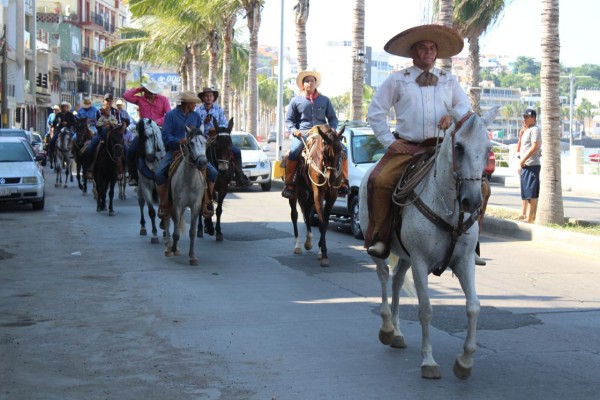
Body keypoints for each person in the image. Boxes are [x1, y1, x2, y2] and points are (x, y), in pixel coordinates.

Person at [364, 24, 471, 259]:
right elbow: (376, 112)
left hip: (441, 147)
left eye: (432, 48)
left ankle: (472, 245)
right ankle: (381, 237)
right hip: (407, 148)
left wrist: (451, 117)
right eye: (423, 47)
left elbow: (464, 106)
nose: (428, 52)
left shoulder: (449, 80)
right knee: (378, 180)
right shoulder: (397, 80)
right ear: (413, 52)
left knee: (478, 184)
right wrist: (389, 142)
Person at [282, 70, 349, 198]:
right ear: (303, 84)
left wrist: (333, 129)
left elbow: (333, 118)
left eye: (312, 80)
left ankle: (344, 182)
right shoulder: (295, 101)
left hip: (323, 133)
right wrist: (293, 130)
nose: (310, 83)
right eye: (307, 81)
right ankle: (289, 184)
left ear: (315, 83)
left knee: (343, 150)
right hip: (304, 134)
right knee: (294, 151)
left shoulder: (325, 100)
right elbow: (289, 120)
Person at [155, 91, 218, 222]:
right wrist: (178, 141)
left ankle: (207, 202)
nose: (195, 105)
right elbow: (165, 136)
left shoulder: (195, 116)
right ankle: (164, 204)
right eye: (193, 103)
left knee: (212, 172)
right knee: (159, 173)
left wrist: (207, 137)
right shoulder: (171, 115)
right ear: (186, 103)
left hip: (193, 152)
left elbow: (200, 133)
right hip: (174, 151)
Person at [195, 87, 251, 187]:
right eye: (206, 96)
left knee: (236, 152)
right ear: (203, 98)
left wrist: (216, 129)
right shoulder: (198, 110)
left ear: (213, 98)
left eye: (210, 96)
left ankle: (239, 175)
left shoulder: (218, 109)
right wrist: (204, 123)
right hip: (203, 139)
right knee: (197, 155)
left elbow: (225, 124)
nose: (208, 98)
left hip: (218, 138)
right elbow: (195, 126)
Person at [124, 81, 171, 186]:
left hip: (160, 129)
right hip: (144, 130)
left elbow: (168, 114)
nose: (151, 94)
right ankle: (133, 176)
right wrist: (139, 89)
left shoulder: (163, 100)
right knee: (131, 150)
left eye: (153, 92)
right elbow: (126, 96)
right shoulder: (140, 99)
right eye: (149, 92)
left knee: (172, 148)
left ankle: (171, 174)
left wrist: (156, 122)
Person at [85, 93, 123, 179]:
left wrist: (111, 125)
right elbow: (96, 123)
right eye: (107, 100)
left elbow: (119, 123)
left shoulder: (116, 111)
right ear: (104, 101)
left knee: (123, 147)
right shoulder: (98, 111)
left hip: (113, 133)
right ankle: (90, 168)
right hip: (101, 133)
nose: (109, 102)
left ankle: (121, 169)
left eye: (110, 100)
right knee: (90, 147)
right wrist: (103, 126)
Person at [517, 108, 542, 223]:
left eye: (527, 117)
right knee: (526, 192)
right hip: (525, 165)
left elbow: (535, 146)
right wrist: (521, 134)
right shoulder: (526, 130)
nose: (524, 119)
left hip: (531, 165)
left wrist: (524, 160)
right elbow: (520, 148)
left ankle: (531, 217)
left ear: (533, 118)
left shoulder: (535, 130)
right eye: (523, 117)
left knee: (532, 193)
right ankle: (524, 214)